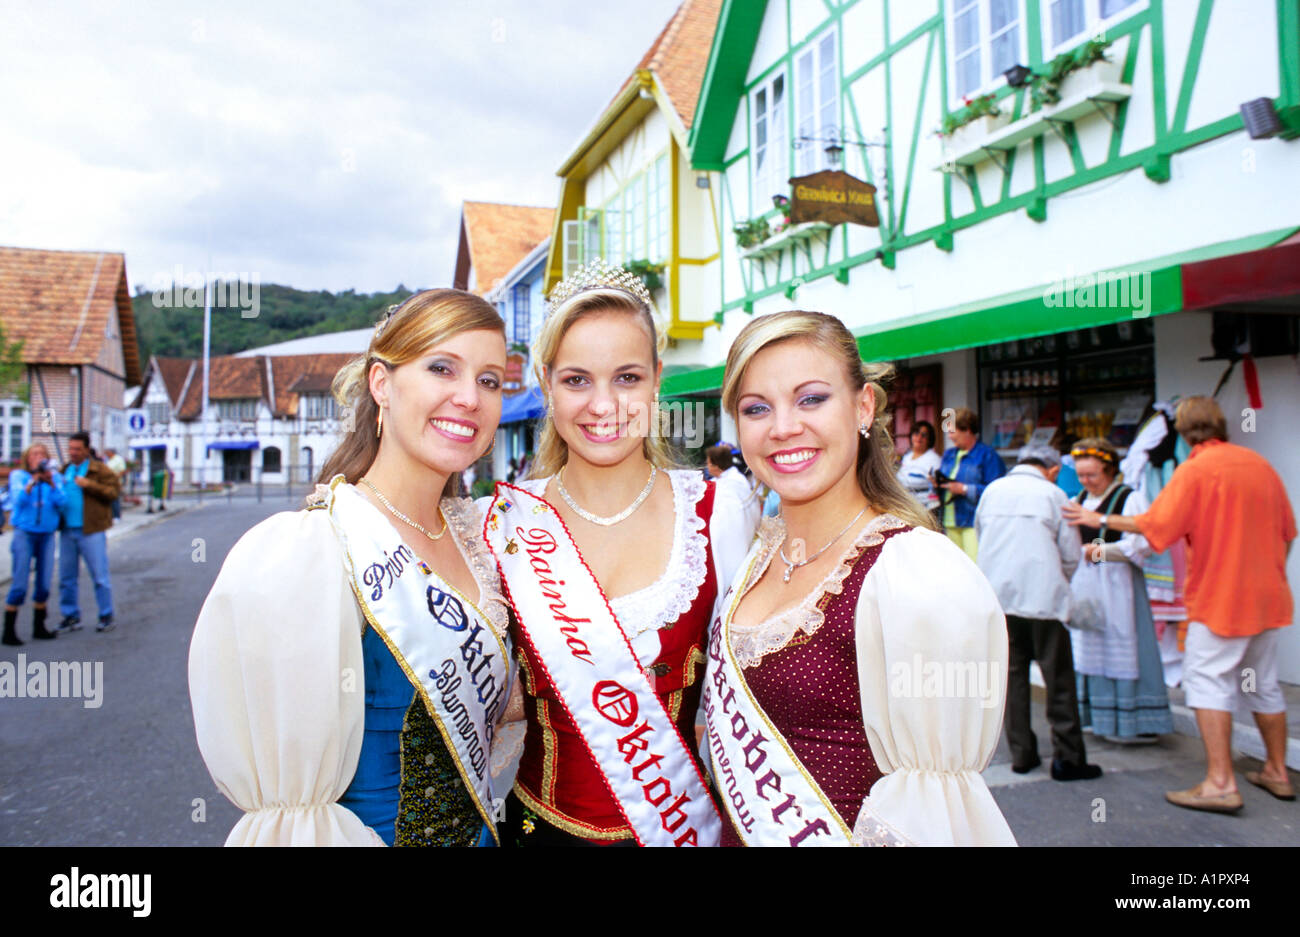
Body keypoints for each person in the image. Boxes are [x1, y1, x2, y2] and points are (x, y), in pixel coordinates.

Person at [189, 289, 516, 845]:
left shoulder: (483, 540)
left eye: (490, 380)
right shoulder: (315, 549)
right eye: (442, 368)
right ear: (381, 384)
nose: (469, 397)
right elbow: (289, 803)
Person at [708, 310, 1015, 845]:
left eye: (811, 399)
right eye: (756, 408)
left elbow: (936, 804)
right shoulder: (757, 556)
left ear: (863, 406)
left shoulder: (914, 573)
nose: (783, 427)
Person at [485, 261, 757, 846]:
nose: (603, 405)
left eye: (627, 377)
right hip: (535, 831)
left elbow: (748, 708)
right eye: (577, 379)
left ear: (658, 379)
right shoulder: (504, 523)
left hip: (682, 830)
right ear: (546, 381)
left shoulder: (719, 515)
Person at [1065, 397, 1296, 812]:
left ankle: (1220, 782)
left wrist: (1098, 520)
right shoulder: (1259, 465)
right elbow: (1288, 532)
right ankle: (1277, 771)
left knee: (1208, 682)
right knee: (1263, 684)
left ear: (1184, 434)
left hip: (1220, 598)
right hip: (1268, 596)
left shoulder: (1196, 470)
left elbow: (1155, 528)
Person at [974, 444, 1101, 781]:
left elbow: (981, 536)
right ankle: (1068, 758)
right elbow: (1072, 553)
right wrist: (1060, 582)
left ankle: (1021, 755)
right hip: (1045, 601)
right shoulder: (1055, 495)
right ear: (1053, 469)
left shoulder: (992, 491)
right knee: (1058, 680)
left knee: (1013, 679)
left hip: (999, 599)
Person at [1066, 437, 1172, 743]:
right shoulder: (1079, 499)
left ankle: (1134, 721)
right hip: (1088, 586)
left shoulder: (1130, 499)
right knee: (1088, 648)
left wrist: (1096, 551)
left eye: (1092, 475)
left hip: (1119, 586)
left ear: (1110, 471)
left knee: (1124, 647)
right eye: (1082, 475)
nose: (1086, 481)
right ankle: (1097, 720)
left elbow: (1142, 545)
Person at [56, 432, 120, 634]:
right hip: (67, 530)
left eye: (77, 449)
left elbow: (114, 492)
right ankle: (71, 616)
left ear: (86, 449)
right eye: (70, 449)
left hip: (91, 529)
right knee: (67, 577)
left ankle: (106, 615)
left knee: (99, 575)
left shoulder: (99, 469)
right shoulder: (65, 470)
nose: (73, 453)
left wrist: (89, 485)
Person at [3, 444, 67, 645]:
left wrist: (51, 484)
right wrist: (32, 481)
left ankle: (39, 626)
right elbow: (18, 500)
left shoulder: (54, 477)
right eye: (34, 454)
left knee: (44, 583)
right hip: (24, 532)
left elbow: (62, 502)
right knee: (20, 583)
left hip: (47, 534)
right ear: (27, 458)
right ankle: (9, 631)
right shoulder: (18, 476)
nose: (38, 458)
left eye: (42, 455)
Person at [935, 407, 1005, 562]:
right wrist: (937, 483)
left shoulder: (987, 455)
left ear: (967, 430)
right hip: (949, 518)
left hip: (973, 519)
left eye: (953, 431)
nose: (950, 436)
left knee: (975, 566)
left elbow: (996, 491)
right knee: (955, 566)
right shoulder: (949, 455)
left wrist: (965, 489)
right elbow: (946, 481)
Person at [706, 443, 762, 577]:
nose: (706, 466)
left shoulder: (728, 490)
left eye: (708, 463)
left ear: (716, 465)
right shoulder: (727, 482)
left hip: (737, 553)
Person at [896, 420, 941, 519]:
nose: (919, 438)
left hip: (925, 510)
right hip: (906, 506)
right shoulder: (907, 457)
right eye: (916, 434)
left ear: (929, 439)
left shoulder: (934, 460)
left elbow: (937, 486)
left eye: (924, 435)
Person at [104, 447, 127, 520]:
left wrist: (115, 478)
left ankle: (117, 516)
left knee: (114, 499)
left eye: (107, 453)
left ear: (111, 453)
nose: (106, 454)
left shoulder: (118, 459)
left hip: (115, 483)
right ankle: (112, 515)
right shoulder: (110, 460)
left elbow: (122, 470)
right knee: (110, 499)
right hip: (108, 482)